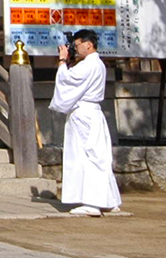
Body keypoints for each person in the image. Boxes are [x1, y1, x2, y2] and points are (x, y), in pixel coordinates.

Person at [51, 29, 121, 216]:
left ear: (88, 44)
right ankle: (108, 199)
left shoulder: (89, 65)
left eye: (77, 45)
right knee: (98, 156)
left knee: (85, 156)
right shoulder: (96, 64)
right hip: (92, 113)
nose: (75, 48)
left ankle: (92, 202)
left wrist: (62, 60)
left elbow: (67, 79)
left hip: (84, 113)